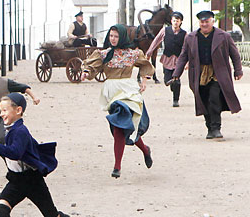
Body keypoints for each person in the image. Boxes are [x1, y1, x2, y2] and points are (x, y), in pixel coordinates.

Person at [82, 25, 155, 178]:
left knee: (124, 126)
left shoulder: (132, 54)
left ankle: (118, 166)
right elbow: (91, 66)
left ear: (122, 37)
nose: (113, 39)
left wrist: (144, 80)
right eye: (111, 36)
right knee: (121, 126)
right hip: (113, 92)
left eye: (116, 36)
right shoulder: (104, 54)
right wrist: (86, 72)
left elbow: (145, 65)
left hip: (129, 91)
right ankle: (143, 151)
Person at [172, 10, 243, 139]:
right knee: (203, 99)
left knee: (214, 98)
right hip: (199, 73)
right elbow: (183, 56)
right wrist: (177, 73)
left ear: (212, 21)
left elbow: (235, 54)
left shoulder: (224, 36)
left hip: (218, 72)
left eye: (207, 21)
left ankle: (216, 128)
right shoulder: (191, 38)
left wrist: (238, 70)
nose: (204, 24)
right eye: (202, 22)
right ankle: (209, 127)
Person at [0, 58, 41, 143]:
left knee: (2, 137)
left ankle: (11, 150)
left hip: (5, 116)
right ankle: (6, 154)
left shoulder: (6, 82)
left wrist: (34, 97)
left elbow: (23, 87)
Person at [146, 11, 187, 107]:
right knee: (167, 80)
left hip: (178, 60)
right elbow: (156, 41)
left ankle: (175, 100)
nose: (175, 22)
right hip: (167, 59)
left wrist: (188, 62)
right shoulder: (165, 30)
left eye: (177, 21)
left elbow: (188, 48)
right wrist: (149, 52)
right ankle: (173, 84)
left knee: (176, 79)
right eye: (174, 20)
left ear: (180, 22)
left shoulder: (185, 34)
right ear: (171, 21)